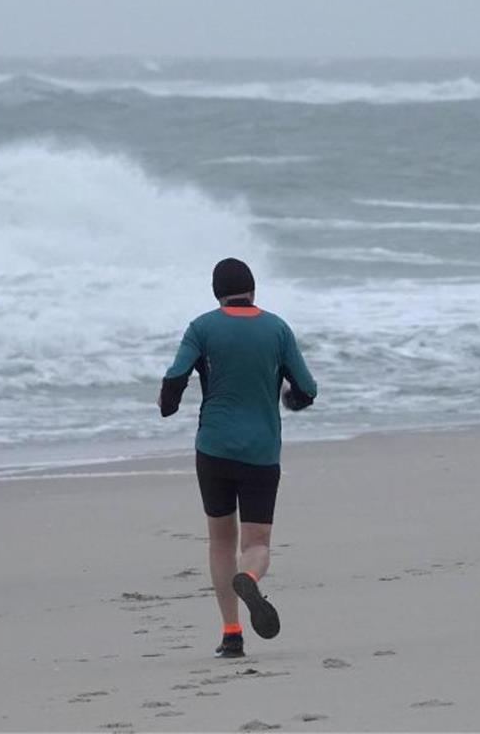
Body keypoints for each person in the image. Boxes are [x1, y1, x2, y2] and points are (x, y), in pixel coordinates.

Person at [158, 257, 317, 658]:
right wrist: (290, 400)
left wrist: (168, 405)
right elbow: (307, 389)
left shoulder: (202, 327)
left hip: (214, 448)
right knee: (257, 541)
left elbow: (175, 378)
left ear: (217, 294)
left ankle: (231, 634)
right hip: (262, 450)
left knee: (219, 540)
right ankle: (249, 576)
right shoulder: (277, 328)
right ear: (253, 291)